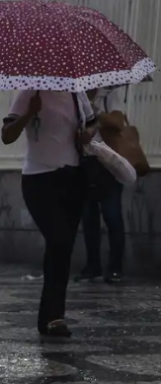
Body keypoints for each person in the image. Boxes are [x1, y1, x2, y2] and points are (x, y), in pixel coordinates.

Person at [2, 90, 95, 338]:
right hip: (38, 179)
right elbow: (7, 136)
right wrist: (30, 112)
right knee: (59, 239)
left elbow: (92, 122)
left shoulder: (77, 93)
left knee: (63, 248)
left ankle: (53, 317)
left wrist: (88, 134)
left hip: (73, 177)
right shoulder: (28, 93)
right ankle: (52, 315)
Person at [75, 86, 126, 284]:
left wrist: (96, 113)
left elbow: (118, 122)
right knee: (89, 218)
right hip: (85, 163)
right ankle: (92, 265)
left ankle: (115, 267)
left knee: (112, 216)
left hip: (107, 164)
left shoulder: (109, 95)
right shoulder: (76, 96)